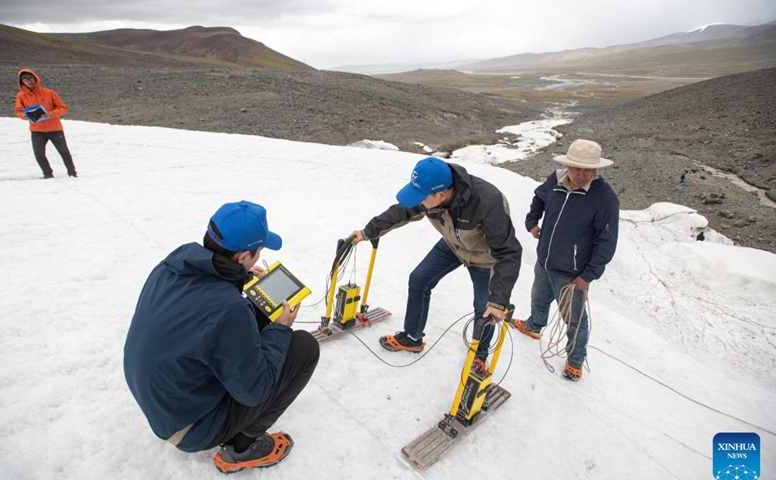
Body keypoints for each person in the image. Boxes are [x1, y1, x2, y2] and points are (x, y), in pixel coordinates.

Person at [124, 200, 319, 473]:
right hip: (190, 428)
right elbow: (256, 390)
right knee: (304, 347)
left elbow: (205, 313)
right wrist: (280, 329)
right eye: (258, 251)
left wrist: (239, 276)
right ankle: (241, 447)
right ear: (241, 256)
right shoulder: (228, 309)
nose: (259, 255)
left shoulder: (171, 266)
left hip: (163, 402)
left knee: (255, 312)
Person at [351, 157, 522, 371]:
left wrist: (498, 301)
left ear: (441, 195)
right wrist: (367, 232)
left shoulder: (487, 201)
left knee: (485, 310)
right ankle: (412, 337)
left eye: (421, 198)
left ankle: (480, 355)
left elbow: (508, 251)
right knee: (419, 279)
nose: (419, 202)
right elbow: (402, 211)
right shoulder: (432, 193)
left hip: (485, 258)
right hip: (452, 245)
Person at [512, 139, 619, 382]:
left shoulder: (604, 197)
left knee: (575, 320)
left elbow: (607, 240)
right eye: (576, 168)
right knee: (538, 298)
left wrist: (588, 275)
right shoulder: (555, 180)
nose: (580, 174)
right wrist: (532, 222)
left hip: (571, 273)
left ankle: (575, 360)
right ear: (567, 165)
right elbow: (539, 198)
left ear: (596, 170)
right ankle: (534, 326)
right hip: (545, 261)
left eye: (587, 170)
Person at [14, 69, 78, 178]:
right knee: (38, 153)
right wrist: (23, 116)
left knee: (64, 152)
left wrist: (50, 114)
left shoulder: (49, 93)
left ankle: (72, 173)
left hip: (54, 128)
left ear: (35, 78)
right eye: (25, 79)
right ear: (21, 82)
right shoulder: (21, 96)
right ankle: (47, 174)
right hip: (36, 130)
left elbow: (63, 108)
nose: (29, 81)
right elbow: (19, 110)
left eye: (30, 78)